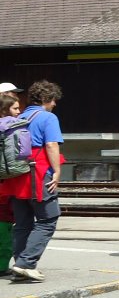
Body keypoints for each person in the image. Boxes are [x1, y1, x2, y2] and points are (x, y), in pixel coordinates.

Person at [9, 80, 64, 283]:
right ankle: (26, 263)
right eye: (53, 100)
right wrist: (57, 171)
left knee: (22, 222)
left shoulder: (18, 115)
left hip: (16, 175)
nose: (54, 104)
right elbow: (50, 145)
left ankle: (19, 264)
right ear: (46, 99)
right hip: (38, 173)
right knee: (48, 219)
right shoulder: (47, 117)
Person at [0, 94, 21, 277]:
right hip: (4, 187)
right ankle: (1, 266)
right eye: (15, 108)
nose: (18, 112)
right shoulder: (11, 126)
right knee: (5, 229)